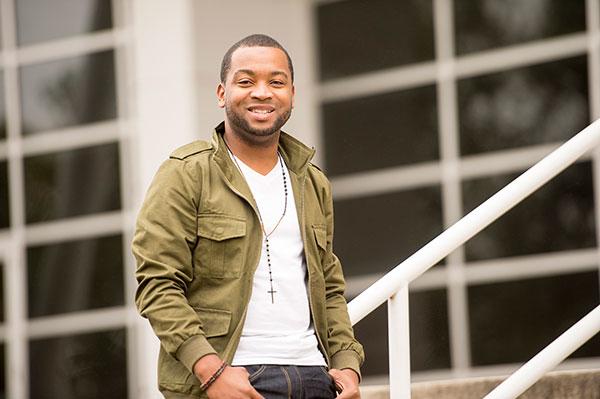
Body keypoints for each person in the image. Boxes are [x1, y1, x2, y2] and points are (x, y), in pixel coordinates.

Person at [133, 34, 364, 399]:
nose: (262, 92)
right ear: (222, 93)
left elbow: (330, 287)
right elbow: (157, 284)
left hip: (315, 378)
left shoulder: (312, 181)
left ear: (292, 93)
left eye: (276, 81)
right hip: (231, 379)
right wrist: (210, 370)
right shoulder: (186, 173)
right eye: (246, 81)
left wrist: (347, 364)